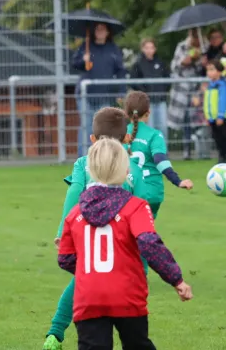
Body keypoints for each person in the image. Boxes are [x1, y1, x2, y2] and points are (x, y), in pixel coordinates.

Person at [58, 138, 193, 350]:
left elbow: (65, 258)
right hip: (127, 295)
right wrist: (176, 279)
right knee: (138, 344)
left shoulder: (75, 213)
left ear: (91, 170)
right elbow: (150, 243)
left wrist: (89, 272)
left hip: (88, 298)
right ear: (125, 168)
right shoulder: (136, 207)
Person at [43, 107, 148, 350]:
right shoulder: (132, 168)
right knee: (132, 284)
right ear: (126, 139)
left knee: (83, 279)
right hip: (124, 241)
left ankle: (56, 333)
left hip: (87, 238)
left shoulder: (82, 164)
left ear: (92, 140)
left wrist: (62, 230)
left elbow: (74, 193)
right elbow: (143, 202)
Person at [125, 91, 194, 223]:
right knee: (144, 232)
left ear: (127, 113)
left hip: (128, 192)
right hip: (152, 192)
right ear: (148, 112)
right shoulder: (154, 135)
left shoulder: (119, 134)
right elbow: (160, 161)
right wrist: (177, 181)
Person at [72, 22, 128, 157]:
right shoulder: (85, 47)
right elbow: (74, 64)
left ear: (108, 32)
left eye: (103, 29)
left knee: (103, 128)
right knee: (86, 127)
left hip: (105, 95)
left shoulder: (113, 49)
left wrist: (121, 91)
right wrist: (82, 60)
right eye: (97, 29)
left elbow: (121, 71)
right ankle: (83, 157)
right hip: (85, 94)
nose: (100, 32)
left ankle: (101, 156)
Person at [169, 29, 208, 160]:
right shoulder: (182, 47)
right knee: (185, 119)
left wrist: (203, 63)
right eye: (193, 36)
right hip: (182, 90)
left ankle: (202, 151)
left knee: (198, 119)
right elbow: (174, 66)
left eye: (197, 36)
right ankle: (187, 151)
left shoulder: (204, 47)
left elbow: (205, 70)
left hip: (197, 89)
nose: (195, 39)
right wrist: (186, 61)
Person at [130, 38, 171, 143]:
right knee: (150, 127)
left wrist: (162, 91)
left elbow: (168, 79)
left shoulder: (160, 63)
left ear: (155, 49)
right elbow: (133, 82)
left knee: (162, 128)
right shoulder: (138, 64)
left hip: (160, 100)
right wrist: (144, 92)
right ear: (142, 49)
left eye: (151, 47)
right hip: (147, 103)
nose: (149, 50)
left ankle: (162, 152)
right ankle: (150, 152)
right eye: (146, 48)